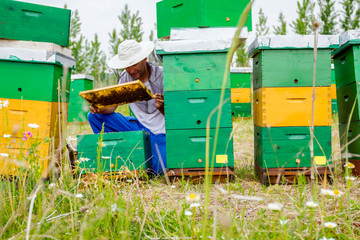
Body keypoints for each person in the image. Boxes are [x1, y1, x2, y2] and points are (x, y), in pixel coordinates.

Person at [87, 39, 166, 174]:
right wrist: (100, 108)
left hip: (161, 132)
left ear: (144, 58)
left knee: (160, 170)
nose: (130, 70)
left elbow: (177, 116)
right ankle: (117, 156)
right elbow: (113, 107)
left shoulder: (163, 75)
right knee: (94, 117)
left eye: (134, 64)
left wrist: (162, 107)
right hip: (139, 129)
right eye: (126, 66)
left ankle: (136, 157)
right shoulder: (125, 77)